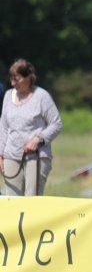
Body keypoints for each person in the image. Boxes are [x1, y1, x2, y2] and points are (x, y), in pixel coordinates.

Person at [0, 59, 63, 196]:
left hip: (36, 156)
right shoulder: (8, 96)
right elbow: (3, 127)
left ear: (28, 77)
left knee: (31, 200)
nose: (13, 83)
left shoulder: (42, 96)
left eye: (17, 79)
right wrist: (0, 154)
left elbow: (56, 123)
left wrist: (38, 139)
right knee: (12, 201)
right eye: (11, 79)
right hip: (11, 155)